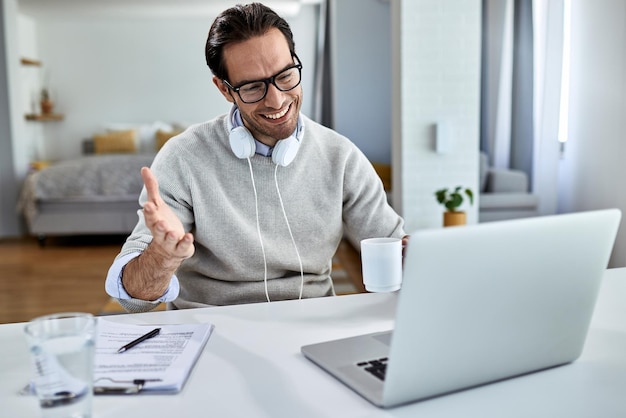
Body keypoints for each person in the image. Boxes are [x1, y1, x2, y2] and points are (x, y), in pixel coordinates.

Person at [105, 2, 406, 312]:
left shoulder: (340, 156)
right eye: (252, 87)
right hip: (211, 328)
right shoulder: (183, 157)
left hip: (311, 325)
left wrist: (416, 258)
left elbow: (395, 247)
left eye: (286, 75)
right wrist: (162, 256)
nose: (277, 100)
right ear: (224, 90)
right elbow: (133, 300)